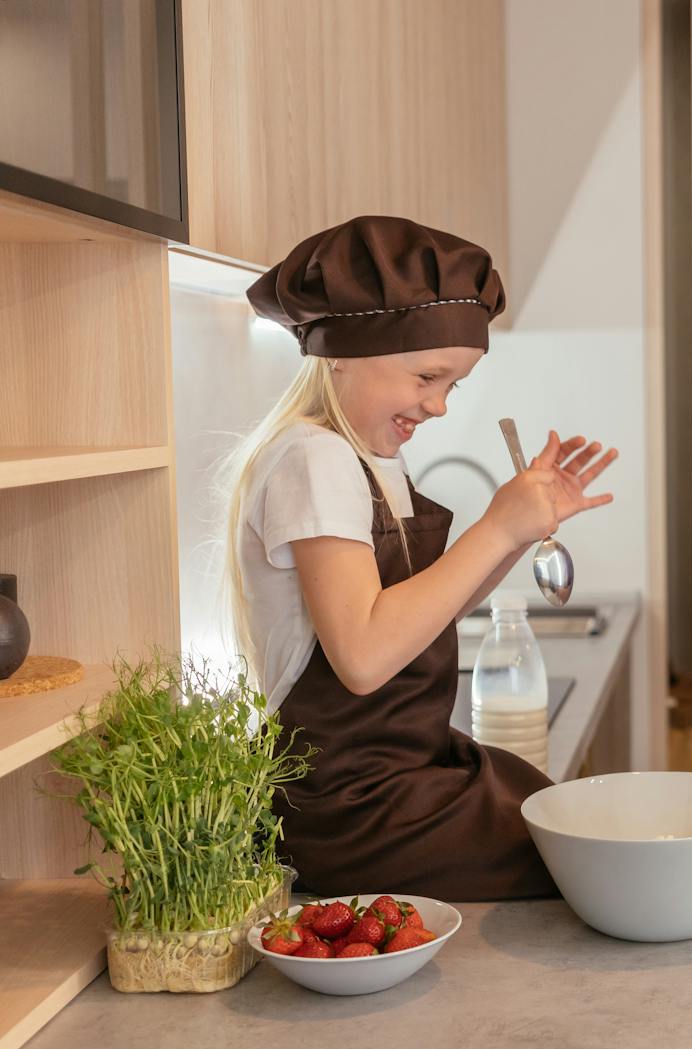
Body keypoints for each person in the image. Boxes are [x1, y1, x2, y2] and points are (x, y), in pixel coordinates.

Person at [228, 215, 615, 900]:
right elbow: (367, 654)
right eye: (426, 376)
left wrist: (522, 530)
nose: (437, 404)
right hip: (348, 807)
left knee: (571, 829)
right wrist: (495, 528)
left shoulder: (373, 463)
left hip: (399, 777)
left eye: (453, 385)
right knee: (585, 865)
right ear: (342, 352)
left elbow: (423, 618)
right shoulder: (313, 457)